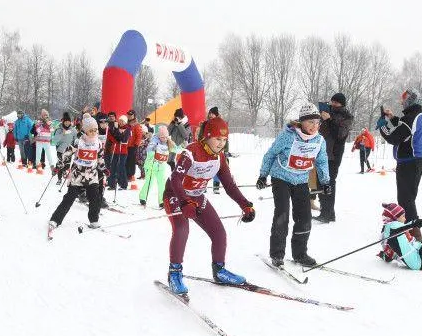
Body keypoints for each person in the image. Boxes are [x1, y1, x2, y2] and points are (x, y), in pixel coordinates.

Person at [163, 117, 256, 295]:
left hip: (196, 196)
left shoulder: (220, 158)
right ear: (206, 137)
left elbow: (229, 185)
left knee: (218, 232)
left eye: (224, 140)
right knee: (182, 229)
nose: (221, 144)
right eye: (217, 139)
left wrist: (245, 205)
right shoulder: (191, 152)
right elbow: (175, 179)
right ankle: (174, 273)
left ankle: (219, 270)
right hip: (176, 194)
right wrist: (184, 202)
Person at [257, 102, 331, 267]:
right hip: (281, 177)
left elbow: (322, 161)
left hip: (301, 180)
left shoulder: (319, 140)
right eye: (310, 121)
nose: (314, 126)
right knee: (282, 214)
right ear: (302, 122)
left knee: (304, 217)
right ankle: (277, 254)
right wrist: (263, 175)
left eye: (317, 122)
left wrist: (325, 181)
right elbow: (271, 154)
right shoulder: (288, 135)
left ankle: (300, 254)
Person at [376, 88, 422, 241]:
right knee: (408, 198)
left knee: (406, 199)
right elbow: (406, 131)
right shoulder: (420, 116)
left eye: (404, 99)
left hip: (409, 163)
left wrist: (382, 125)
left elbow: (394, 137)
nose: (401, 102)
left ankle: (414, 233)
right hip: (415, 162)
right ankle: (410, 229)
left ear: (410, 101)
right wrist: (393, 119)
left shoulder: (411, 118)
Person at [48, 115, 107, 232]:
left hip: (91, 176)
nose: (94, 132)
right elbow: (66, 155)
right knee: (69, 198)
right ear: (85, 130)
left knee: (95, 199)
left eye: (95, 130)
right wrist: (58, 167)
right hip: (78, 176)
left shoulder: (98, 143)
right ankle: (55, 219)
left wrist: (103, 168)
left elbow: (100, 157)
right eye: (91, 130)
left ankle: (94, 220)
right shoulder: (78, 142)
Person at [316, 92, 354, 223]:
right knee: (320, 181)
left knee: (329, 182)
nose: (333, 104)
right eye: (332, 101)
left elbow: (340, 134)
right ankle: (325, 211)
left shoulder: (346, 117)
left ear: (342, 104)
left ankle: (328, 213)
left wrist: (328, 120)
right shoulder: (327, 113)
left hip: (334, 154)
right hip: (321, 152)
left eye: (336, 102)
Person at [139, 125, 173, 208]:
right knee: (149, 183)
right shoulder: (154, 141)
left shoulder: (168, 142)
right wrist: (154, 152)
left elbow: (175, 148)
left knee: (162, 184)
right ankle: (143, 198)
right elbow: (148, 151)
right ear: (159, 136)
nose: (164, 139)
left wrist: (184, 150)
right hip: (151, 166)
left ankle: (162, 201)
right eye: (162, 137)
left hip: (161, 167)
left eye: (165, 137)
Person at [52, 112, 77, 185]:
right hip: (60, 150)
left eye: (68, 121)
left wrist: (75, 147)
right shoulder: (59, 130)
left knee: (67, 165)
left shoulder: (73, 130)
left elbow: (75, 140)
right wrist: (62, 133)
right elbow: (54, 140)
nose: (67, 123)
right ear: (63, 122)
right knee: (60, 164)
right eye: (65, 122)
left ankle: (64, 171)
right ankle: (59, 179)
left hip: (69, 151)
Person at [107, 114, 131, 190]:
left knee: (121, 167)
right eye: (120, 121)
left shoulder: (128, 129)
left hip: (123, 151)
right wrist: (116, 132)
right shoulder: (116, 128)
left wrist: (117, 133)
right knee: (113, 166)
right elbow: (114, 137)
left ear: (125, 122)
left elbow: (123, 139)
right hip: (116, 150)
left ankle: (123, 184)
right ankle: (111, 184)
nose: (121, 122)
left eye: (122, 121)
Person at [125, 109, 143, 182]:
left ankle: (130, 175)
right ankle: (125, 174)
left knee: (131, 161)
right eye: (128, 115)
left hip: (132, 146)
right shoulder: (126, 123)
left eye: (131, 115)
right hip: (125, 145)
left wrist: (136, 145)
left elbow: (139, 136)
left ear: (134, 116)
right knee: (125, 161)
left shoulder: (136, 125)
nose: (129, 116)